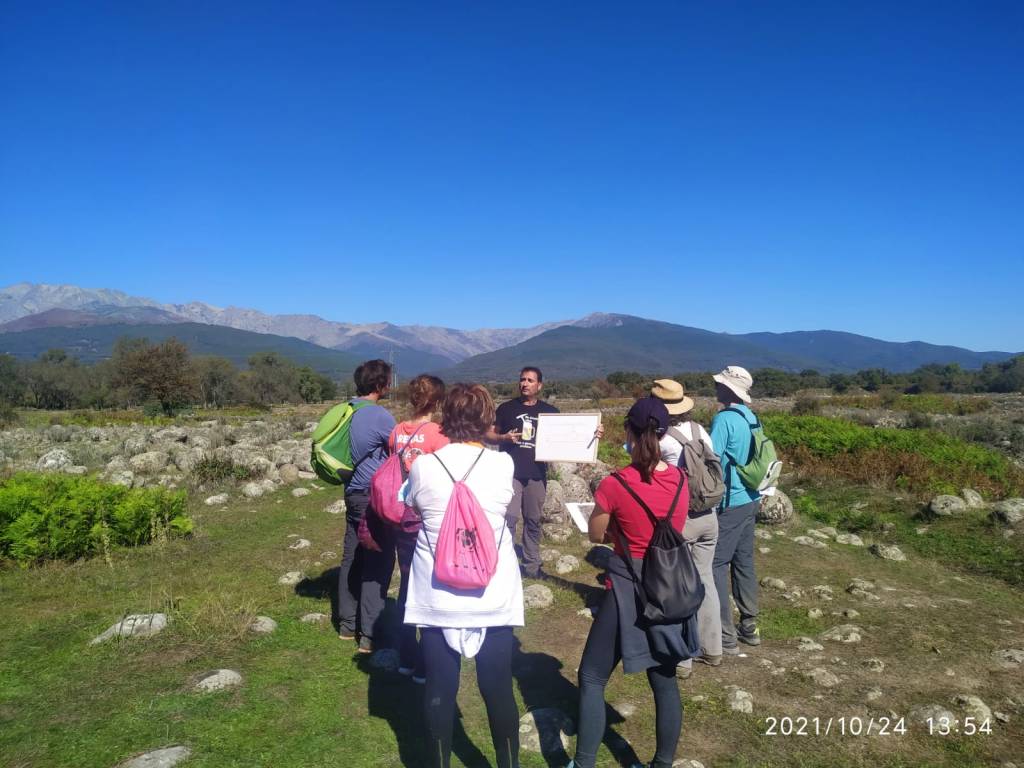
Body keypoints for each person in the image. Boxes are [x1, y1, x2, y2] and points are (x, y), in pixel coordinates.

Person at [567, 397, 696, 768]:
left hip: (626, 586)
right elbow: (673, 526)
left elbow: (595, 534)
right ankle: (662, 762)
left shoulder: (615, 483)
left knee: (592, 676)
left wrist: (614, 532)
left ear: (630, 433)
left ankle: (584, 763)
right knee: (664, 680)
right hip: (668, 587)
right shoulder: (680, 480)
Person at [404, 383, 522, 768]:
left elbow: (413, 505)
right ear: (487, 418)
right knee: (498, 688)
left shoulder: (423, 466)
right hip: (493, 593)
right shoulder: (502, 464)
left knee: (439, 687)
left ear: (446, 416)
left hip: (437, 594)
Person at [650, 379, 723, 675]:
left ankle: (682, 659)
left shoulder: (662, 439)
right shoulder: (699, 430)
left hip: (683, 519)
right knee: (705, 578)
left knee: (679, 586)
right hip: (709, 514)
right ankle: (713, 648)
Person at [388, 374, 449, 682]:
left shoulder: (397, 431)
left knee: (406, 585)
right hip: (428, 520)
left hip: (402, 516)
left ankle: (405, 657)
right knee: (428, 590)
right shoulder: (439, 435)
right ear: (437, 402)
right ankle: (426, 663)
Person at [336, 359, 397, 652]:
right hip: (372, 497)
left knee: (352, 557)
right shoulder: (379, 416)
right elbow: (400, 449)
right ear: (380, 384)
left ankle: (347, 625)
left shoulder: (345, 410)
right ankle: (370, 635)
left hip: (351, 492)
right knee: (378, 561)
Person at [709, 365, 762, 654]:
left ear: (728, 388)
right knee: (744, 562)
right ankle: (749, 625)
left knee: (716, 564)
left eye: (719, 383)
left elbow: (711, 460)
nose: (716, 387)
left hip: (730, 502)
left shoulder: (724, 419)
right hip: (751, 497)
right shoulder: (751, 417)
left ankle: (724, 634)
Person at [490, 366, 559, 578]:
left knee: (533, 521)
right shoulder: (506, 409)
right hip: (510, 474)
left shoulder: (551, 412)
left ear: (540, 385)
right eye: (522, 379)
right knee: (508, 520)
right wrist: (503, 438)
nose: (525, 384)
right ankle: (505, 566)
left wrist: (592, 434)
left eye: (530, 380)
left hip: (537, 474)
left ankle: (532, 567)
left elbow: (569, 438)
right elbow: (489, 435)